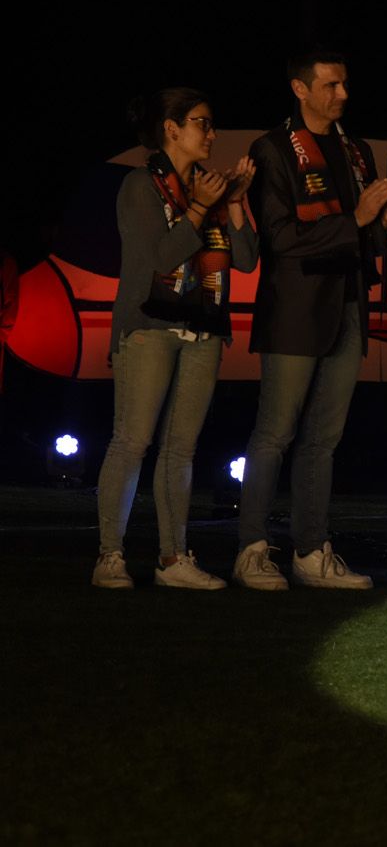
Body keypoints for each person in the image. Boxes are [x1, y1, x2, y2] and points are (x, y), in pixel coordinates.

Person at [234, 49, 387, 591]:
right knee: (275, 433)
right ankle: (251, 550)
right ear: (300, 89)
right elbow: (280, 239)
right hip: (295, 311)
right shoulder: (273, 148)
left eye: (344, 84)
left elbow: (366, 237)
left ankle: (311, 552)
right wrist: (359, 217)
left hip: (348, 305)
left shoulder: (356, 150)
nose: (342, 94)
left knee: (323, 439)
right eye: (330, 85)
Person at [92, 88, 259, 589]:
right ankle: (110, 556)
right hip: (150, 326)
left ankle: (173, 559)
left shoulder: (210, 187)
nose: (212, 134)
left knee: (181, 449)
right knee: (132, 441)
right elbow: (161, 258)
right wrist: (200, 208)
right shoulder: (140, 185)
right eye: (202, 123)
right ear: (171, 128)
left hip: (205, 326)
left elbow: (246, 259)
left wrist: (234, 202)